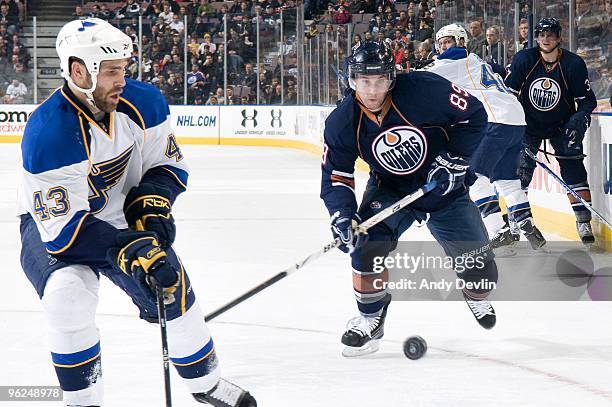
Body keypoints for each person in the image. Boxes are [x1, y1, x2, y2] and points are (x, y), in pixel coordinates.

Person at [17, 18, 256, 407]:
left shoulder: (143, 102)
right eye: (111, 71)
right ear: (79, 71)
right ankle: (83, 401)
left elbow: (167, 165)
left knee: (172, 285)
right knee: (67, 296)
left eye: (123, 69)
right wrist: (133, 250)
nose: (122, 79)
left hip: (118, 216)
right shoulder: (49, 135)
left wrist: (152, 204)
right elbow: (65, 233)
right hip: (56, 225)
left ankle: (206, 384)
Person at [320, 41, 498, 357]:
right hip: (390, 189)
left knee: (483, 275)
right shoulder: (341, 122)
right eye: (364, 81)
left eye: (379, 81)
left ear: (392, 78)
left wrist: (455, 161)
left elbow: (474, 115)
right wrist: (342, 215)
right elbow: (337, 176)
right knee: (367, 245)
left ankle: (474, 291)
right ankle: (371, 317)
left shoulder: (424, 88)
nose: (372, 90)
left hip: (444, 189)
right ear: (352, 80)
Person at [426, 24, 545, 250]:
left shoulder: (455, 60)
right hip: (515, 120)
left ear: (460, 42)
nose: (444, 46)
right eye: (440, 43)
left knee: (473, 176)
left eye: (448, 41)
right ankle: (527, 224)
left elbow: (422, 79)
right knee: (506, 179)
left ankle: (498, 230)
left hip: (495, 119)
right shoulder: (478, 61)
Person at [505, 18, 598, 245]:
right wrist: (511, 124)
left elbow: (588, 101)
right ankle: (516, 220)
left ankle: (583, 220)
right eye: (541, 34)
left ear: (558, 37)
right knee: (521, 170)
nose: (545, 39)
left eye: (550, 34)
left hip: (562, 125)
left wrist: (579, 119)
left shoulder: (573, 64)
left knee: (573, 165)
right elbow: (507, 96)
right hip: (528, 125)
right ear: (535, 38)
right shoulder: (524, 60)